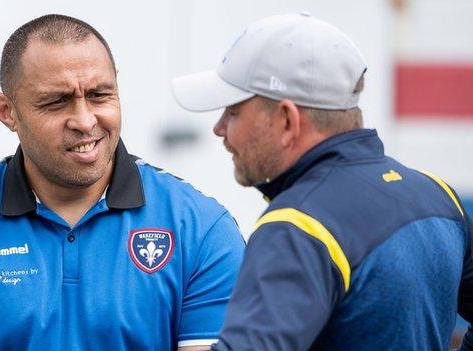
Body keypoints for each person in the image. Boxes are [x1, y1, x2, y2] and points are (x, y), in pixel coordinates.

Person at [0, 14, 245, 351]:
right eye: (57, 102)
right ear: (6, 111)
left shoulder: (201, 229)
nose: (85, 120)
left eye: (100, 94)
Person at [172, 12, 473, 350]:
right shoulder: (437, 194)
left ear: (287, 119)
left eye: (234, 112)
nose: (220, 127)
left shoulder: (297, 227)